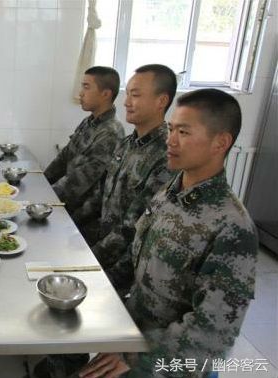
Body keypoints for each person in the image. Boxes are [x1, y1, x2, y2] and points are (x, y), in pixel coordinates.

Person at [80, 89, 258, 378]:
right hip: (133, 336)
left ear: (220, 142)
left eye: (184, 132)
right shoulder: (171, 192)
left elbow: (211, 336)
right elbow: (136, 258)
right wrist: (90, 286)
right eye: (172, 129)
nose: (170, 140)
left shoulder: (231, 226)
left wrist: (136, 356)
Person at [73, 64, 176, 272]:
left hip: (123, 265)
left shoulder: (166, 156)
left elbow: (133, 228)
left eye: (135, 95)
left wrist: (90, 261)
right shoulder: (127, 143)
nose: (127, 102)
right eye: (127, 94)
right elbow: (100, 194)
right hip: (102, 243)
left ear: (161, 101)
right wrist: (69, 225)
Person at [44, 66, 125, 216]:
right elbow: (64, 157)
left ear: (105, 94)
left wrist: (44, 198)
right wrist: (42, 182)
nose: (80, 93)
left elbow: (80, 180)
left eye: (86, 87)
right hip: (66, 203)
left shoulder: (110, 133)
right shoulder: (89, 122)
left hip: (82, 216)